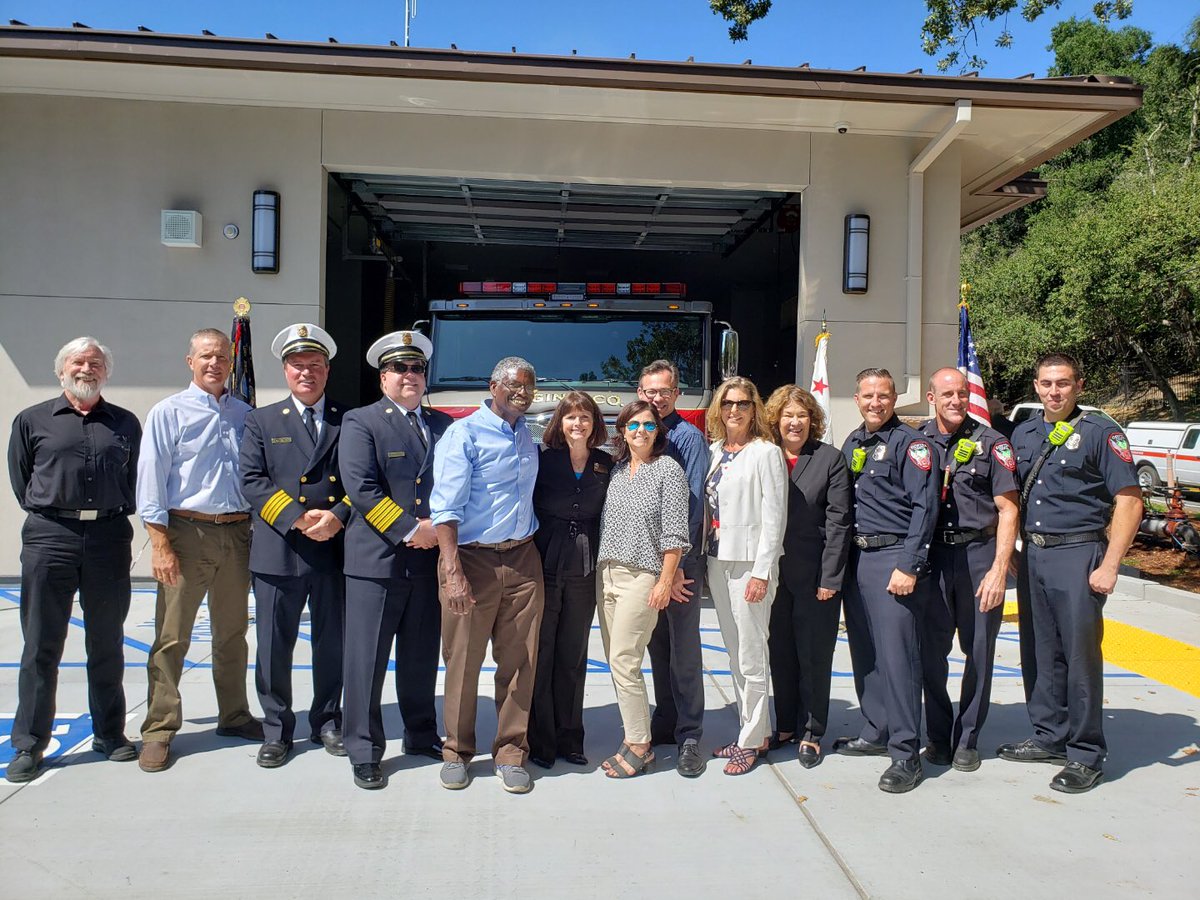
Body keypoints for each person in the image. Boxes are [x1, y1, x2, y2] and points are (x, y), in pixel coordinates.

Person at [998, 352, 1140, 793]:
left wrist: (1110, 565)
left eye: (1062, 383)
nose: (1053, 391)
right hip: (1035, 556)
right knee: (1040, 653)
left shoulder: (1101, 432)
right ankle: (1050, 735)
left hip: (1079, 556)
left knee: (1080, 658)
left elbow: (1130, 500)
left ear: (1078, 385)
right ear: (1036, 387)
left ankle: (1085, 753)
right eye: (1045, 383)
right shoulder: (1024, 432)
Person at [5, 337, 142, 783]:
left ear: (106, 371)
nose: (87, 368)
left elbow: (133, 478)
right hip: (51, 537)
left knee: (106, 643)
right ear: (61, 369)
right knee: (41, 646)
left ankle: (110, 733)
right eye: (78, 362)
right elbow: (21, 478)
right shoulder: (32, 420)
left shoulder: (124, 423)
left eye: (96, 362)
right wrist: (55, 512)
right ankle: (29, 744)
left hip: (108, 537)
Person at [136, 328, 261, 773]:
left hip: (237, 533)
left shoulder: (245, 414)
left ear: (232, 363)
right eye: (206, 356)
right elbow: (151, 479)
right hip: (186, 533)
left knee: (232, 634)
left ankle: (234, 714)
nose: (215, 364)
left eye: (222, 357)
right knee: (172, 637)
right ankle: (159, 729)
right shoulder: (168, 412)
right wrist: (160, 544)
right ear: (190, 361)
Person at [339, 330, 452, 790]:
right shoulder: (361, 421)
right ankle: (364, 749)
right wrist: (413, 530)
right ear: (383, 376)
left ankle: (421, 733)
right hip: (377, 562)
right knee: (366, 661)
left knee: (421, 656)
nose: (410, 376)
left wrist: (438, 537)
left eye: (417, 369)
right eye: (400, 369)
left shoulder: (443, 424)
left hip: (427, 565)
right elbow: (361, 489)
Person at [239, 324, 350, 769]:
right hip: (279, 549)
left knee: (332, 644)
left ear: (327, 371)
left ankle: (327, 720)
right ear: (285, 370)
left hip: (333, 550)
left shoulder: (350, 419)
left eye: (315, 366)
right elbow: (252, 480)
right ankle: (276, 730)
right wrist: (298, 518)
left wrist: (337, 516)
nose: (307, 373)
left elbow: (364, 481)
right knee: (273, 646)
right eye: (298, 366)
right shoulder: (261, 420)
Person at [431, 356, 543, 794]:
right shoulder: (464, 434)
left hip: (522, 559)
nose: (523, 393)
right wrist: (452, 571)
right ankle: (457, 751)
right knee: (463, 660)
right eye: (515, 386)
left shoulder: (527, 436)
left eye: (529, 388)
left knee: (520, 662)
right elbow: (445, 509)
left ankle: (512, 751)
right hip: (472, 561)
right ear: (493, 386)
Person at [834, 367, 939, 793]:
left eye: (883, 395)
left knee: (898, 659)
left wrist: (909, 565)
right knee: (867, 653)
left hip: (894, 558)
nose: (874, 402)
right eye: (867, 395)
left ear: (895, 398)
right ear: (856, 399)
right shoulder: (853, 442)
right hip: (858, 559)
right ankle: (875, 730)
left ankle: (906, 752)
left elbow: (925, 507)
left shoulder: (912, 445)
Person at [919, 368, 1019, 773]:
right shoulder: (917, 442)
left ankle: (968, 738)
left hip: (979, 555)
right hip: (933, 560)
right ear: (932, 397)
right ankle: (938, 737)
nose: (956, 401)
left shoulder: (992, 443)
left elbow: (1009, 508)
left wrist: (999, 569)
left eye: (962, 394)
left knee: (979, 651)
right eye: (947, 394)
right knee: (930, 654)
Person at [595, 401, 690, 778]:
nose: (640, 432)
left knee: (624, 661)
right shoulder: (617, 470)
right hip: (608, 576)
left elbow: (675, 533)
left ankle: (640, 745)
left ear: (658, 432)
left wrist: (665, 580)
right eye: (632, 425)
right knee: (618, 664)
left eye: (648, 426)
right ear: (622, 430)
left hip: (643, 578)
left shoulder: (668, 470)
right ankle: (632, 735)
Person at [763, 384, 851, 770]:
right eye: (787, 415)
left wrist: (830, 577)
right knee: (779, 652)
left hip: (814, 573)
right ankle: (784, 723)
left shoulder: (829, 459)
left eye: (801, 415)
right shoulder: (764, 456)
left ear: (812, 420)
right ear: (775, 421)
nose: (794, 422)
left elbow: (839, 522)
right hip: (771, 575)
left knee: (814, 654)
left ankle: (812, 729)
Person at [703, 378, 786, 776]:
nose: (734, 410)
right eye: (727, 403)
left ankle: (751, 742)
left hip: (750, 565)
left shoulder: (766, 453)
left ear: (755, 409)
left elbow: (775, 519)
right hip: (718, 561)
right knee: (736, 654)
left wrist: (762, 571)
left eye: (742, 403)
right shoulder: (716, 451)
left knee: (752, 655)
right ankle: (754, 730)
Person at [528, 392, 612, 770]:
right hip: (544, 563)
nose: (577, 424)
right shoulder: (542, 461)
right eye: (570, 418)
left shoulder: (605, 464)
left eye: (585, 418)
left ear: (595, 424)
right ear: (558, 424)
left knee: (573, 655)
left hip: (584, 567)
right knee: (542, 653)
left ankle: (570, 739)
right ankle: (541, 742)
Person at [639, 360, 708, 778]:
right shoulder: (639, 433)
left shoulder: (689, 438)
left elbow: (694, 504)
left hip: (679, 563)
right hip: (645, 563)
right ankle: (666, 721)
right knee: (657, 646)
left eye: (664, 391)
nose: (656, 398)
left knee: (684, 652)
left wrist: (678, 566)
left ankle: (690, 736)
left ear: (676, 394)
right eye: (650, 391)